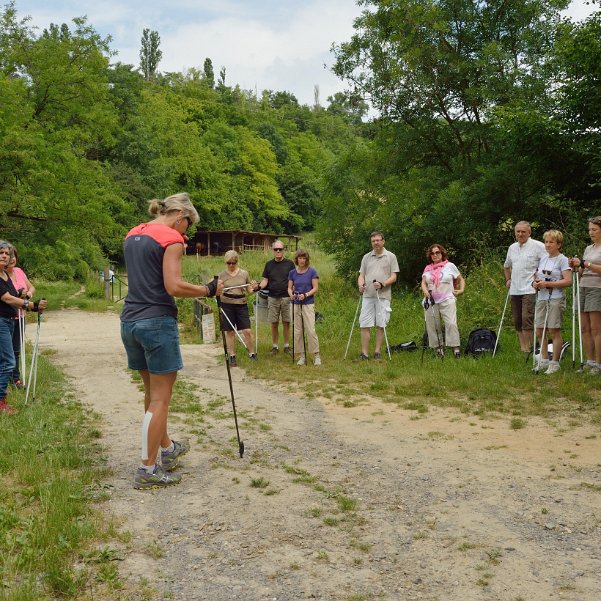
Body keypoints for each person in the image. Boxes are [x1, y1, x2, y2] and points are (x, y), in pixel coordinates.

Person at [120, 192, 224, 490]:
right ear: (180, 215)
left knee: (151, 394)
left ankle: (166, 449)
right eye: (187, 226)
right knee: (161, 399)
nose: (186, 234)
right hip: (156, 322)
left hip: (129, 320)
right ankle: (147, 469)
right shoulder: (171, 239)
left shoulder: (133, 233)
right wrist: (207, 290)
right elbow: (174, 285)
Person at [0, 241, 47, 414]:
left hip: (10, 320)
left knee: (8, 358)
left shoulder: (5, 275)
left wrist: (28, 299)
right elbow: (8, 299)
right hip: (1, 321)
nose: (5, 256)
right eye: (1, 253)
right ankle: (1, 401)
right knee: (8, 361)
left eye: (7, 253)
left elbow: (15, 296)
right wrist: (32, 305)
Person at [532, 230, 572, 374]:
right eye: (546, 242)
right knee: (539, 329)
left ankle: (554, 363)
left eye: (551, 242)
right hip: (542, 297)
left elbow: (568, 281)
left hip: (555, 298)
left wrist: (549, 284)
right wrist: (536, 284)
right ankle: (543, 360)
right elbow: (537, 277)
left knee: (553, 330)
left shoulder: (563, 260)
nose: (547, 245)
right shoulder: (543, 259)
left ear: (559, 244)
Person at [503, 221, 546, 353]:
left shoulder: (539, 246)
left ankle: (528, 348)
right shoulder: (512, 247)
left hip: (530, 288)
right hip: (515, 288)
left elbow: (546, 263)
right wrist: (508, 279)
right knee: (517, 319)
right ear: (515, 233)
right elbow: (506, 265)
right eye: (518, 232)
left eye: (523, 232)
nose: (520, 234)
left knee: (527, 318)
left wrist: (539, 278)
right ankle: (523, 348)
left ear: (529, 232)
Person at [356, 231, 399, 360]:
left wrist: (383, 284)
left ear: (383, 241)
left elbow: (394, 276)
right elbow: (361, 275)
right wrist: (360, 285)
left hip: (383, 295)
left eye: (378, 240)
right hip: (368, 295)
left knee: (381, 324)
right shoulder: (366, 257)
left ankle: (377, 352)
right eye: (373, 241)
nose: (376, 243)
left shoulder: (390, 256)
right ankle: (364, 353)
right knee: (364, 323)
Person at [421, 244, 465, 358]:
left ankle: (455, 349)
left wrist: (461, 290)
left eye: (437, 252)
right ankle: (438, 349)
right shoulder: (427, 268)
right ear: (430, 255)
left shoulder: (450, 266)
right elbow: (423, 282)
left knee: (451, 323)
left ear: (442, 253)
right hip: (431, 300)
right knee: (433, 325)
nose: (435, 255)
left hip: (447, 298)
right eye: (432, 253)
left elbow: (460, 279)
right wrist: (425, 291)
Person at [570, 216, 601, 374]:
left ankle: (598, 364)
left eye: (594, 229)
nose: (591, 232)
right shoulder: (589, 248)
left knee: (596, 328)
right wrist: (576, 266)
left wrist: (585, 263)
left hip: (597, 288)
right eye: (589, 229)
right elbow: (582, 270)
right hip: (583, 287)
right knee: (584, 328)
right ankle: (589, 361)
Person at [217, 250, 259, 367]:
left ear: (237, 262)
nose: (231, 265)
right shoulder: (221, 275)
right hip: (227, 304)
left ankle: (252, 353)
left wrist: (255, 287)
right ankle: (232, 356)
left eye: (233, 263)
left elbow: (249, 290)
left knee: (247, 331)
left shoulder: (244, 274)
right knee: (230, 332)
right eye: (228, 263)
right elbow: (216, 289)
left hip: (241, 304)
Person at [6, 247, 35, 388]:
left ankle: (15, 379)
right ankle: (7, 379)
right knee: (7, 350)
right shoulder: (3, 275)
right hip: (7, 317)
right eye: (9, 255)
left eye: (14, 255)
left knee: (16, 349)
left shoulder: (19, 271)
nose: (12, 258)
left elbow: (31, 287)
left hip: (21, 316)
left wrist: (28, 294)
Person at [259, 240, 295, 355]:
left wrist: (294, 290)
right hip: (272, 297)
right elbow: (265, 280)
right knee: (274, 323)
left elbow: (294, 280)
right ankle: (275, 346)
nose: (278, 251)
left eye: (280, 249)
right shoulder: (268, 264)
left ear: (283, 250)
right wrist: (258, 286)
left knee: (286, 322)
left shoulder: (290, 264)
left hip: (286, 297)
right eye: (276, 249)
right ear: (273, 250)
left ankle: (286, 346)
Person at [288, 249, 321, 366]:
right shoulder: (292, 272)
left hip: (308, 303)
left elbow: (315, 288)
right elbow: (289, 287)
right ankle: (301, 355)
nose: (302, 260)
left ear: (307, 260)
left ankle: (316, 355)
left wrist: (306, 294)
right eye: (300, 258)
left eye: (304, 258)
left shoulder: (312, 271)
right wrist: (291, 295)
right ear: (296, 259)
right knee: (297, 331)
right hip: (296, 303)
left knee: (310, 330)